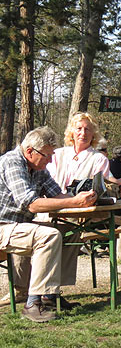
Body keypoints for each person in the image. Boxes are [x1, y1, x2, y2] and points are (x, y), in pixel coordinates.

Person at [10, 113, 121, 298]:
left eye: (87, 129)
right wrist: (66, 201)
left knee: (69, 229)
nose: (83, 133)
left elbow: (67, 190)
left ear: (93, 133)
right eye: (79, 128)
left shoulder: (97, 159)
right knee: (36, 227)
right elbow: (37, 197)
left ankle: (52, 289)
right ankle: (23, 289)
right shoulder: (53, 155)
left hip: (74, 212)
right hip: (39, 210)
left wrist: (76, 200)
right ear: (71, 131)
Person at [0, 127, 97, 321]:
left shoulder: (38, 168)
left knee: (70, 230)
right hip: (3, 226)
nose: (51, 160)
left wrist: (84, 198)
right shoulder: (12, 162)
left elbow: (58, 195)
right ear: (30, 151)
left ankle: (50, 296)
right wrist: (74, 202)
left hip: (21, 226)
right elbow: (32, 204)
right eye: (47, 155)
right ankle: (33, 304)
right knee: (49, 236)